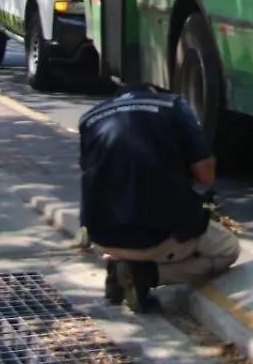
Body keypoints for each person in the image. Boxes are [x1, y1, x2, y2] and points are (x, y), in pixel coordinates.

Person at [79, 82, 240, 313]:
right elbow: (206, 176)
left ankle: (119, 265)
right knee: (227, 249)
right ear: (153, 91)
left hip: (102, 235)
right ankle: (145, 274)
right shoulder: (172, 106)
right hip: (158, 236)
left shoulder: (89, 118)